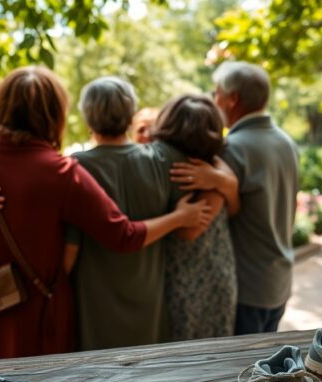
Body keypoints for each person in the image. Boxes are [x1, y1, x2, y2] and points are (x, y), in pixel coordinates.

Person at [0, 66, 211, 364]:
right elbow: (123, 235)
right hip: (34, 313)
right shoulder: (60, 172)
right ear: (54, 112)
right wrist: (180, 217)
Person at [65, 77, 213, 350]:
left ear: (87, 118)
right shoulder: (164, 159)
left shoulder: (74, 168)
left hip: (93, 305)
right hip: (150, 300)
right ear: (132, 115)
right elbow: (217, 156)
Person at [174, 61, 299, 334]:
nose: (213, 98)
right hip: (280, 279)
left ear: (232, 99)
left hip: (248, 286)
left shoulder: (232, 149)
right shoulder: (286, 142)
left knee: (246, 372)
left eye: (216, 92)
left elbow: (199, 222)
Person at [150, 94, 239, 340]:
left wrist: (218, 181)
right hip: (194, 277)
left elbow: (190, 230)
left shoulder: (212, 171)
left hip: (200, 281)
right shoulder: (212, 168)